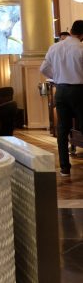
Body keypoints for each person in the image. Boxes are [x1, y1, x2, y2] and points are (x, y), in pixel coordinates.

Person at [39, 20, 83, 176]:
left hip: (61, 91)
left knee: (62, 130)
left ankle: (65, 168)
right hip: (78, 91)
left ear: (71, 31)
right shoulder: (81, 48)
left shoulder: (55, 47)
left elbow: (43, 68)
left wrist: (57, 77)